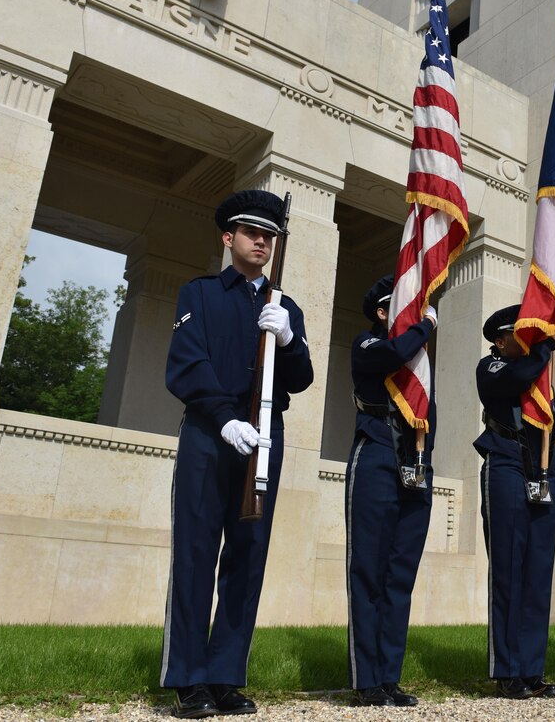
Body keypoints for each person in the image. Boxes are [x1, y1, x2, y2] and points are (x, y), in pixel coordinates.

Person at [161, 189, 314, 717]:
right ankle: (187, 678)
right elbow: (186, 363)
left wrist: (290, 339)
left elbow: (302, 377)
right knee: (196, 555)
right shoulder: (199, 295)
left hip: (264, 441)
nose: (262, 242)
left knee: (247, 558)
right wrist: (224, 417)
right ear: (229, 238)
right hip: (209, 436)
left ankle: (225, 674)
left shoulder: (283, 305)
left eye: (270, 235)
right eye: (252, 233)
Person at [345, 275, 437, 708]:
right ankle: (366, 679)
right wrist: (426, 326)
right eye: (405, 309)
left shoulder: (420, 365)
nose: (414, 316)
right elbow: (395, 351)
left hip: (413, 460)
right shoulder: (368, 344)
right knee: (369, 570)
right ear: (385, 313)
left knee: (400, 575)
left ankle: (388, 676)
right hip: (377, 451)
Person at [475, 304, 555, 700]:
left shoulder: (540, 383)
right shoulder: (492, 367)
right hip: (506, 466)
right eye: (520, 334)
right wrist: (544, 348)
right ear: (500, 339)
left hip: (541, 476)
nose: (528, 340)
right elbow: (517, 378)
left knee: (537, 576)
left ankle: (531, 669)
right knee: (510, 570)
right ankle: (507, 669)